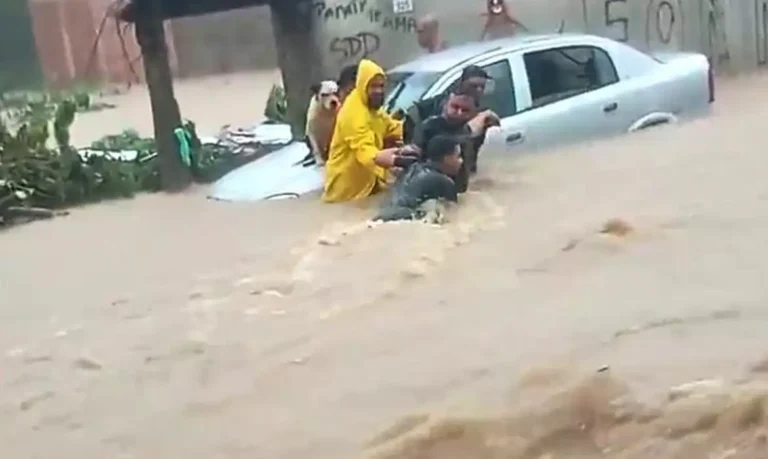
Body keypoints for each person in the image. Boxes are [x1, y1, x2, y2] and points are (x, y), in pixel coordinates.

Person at [323, 59, 419, 203]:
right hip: (346, 194)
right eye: (373, 86)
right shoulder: (353, 113)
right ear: (362, 86)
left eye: (381, 86)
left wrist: (417, 129)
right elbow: (365, 152)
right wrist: (397, 160)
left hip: (369, 185)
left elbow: (389, 126)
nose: (379, 91)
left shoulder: (373, 109)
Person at [415, 90, 499, 193]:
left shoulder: (473, 132)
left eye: (465, 110)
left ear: (473, 113)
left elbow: (471, 163)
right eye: (455, 107)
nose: (459, 112)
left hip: (458, 188)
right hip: (433, 188)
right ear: (445, 105)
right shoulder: (430, 126)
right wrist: (475, 125)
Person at [375, 135, 463, 222]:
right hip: (402, 220)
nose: (461, 161)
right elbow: (453, 215)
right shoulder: (445, 182)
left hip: (381, 216)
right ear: (447, 158)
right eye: (458, 156)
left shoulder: (411, 168)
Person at [402, 65, 492, 144]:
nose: (479, 90)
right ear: (462, 84)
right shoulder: (435, 105)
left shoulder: (481, 113)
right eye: (473, 86)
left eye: (482, 87)